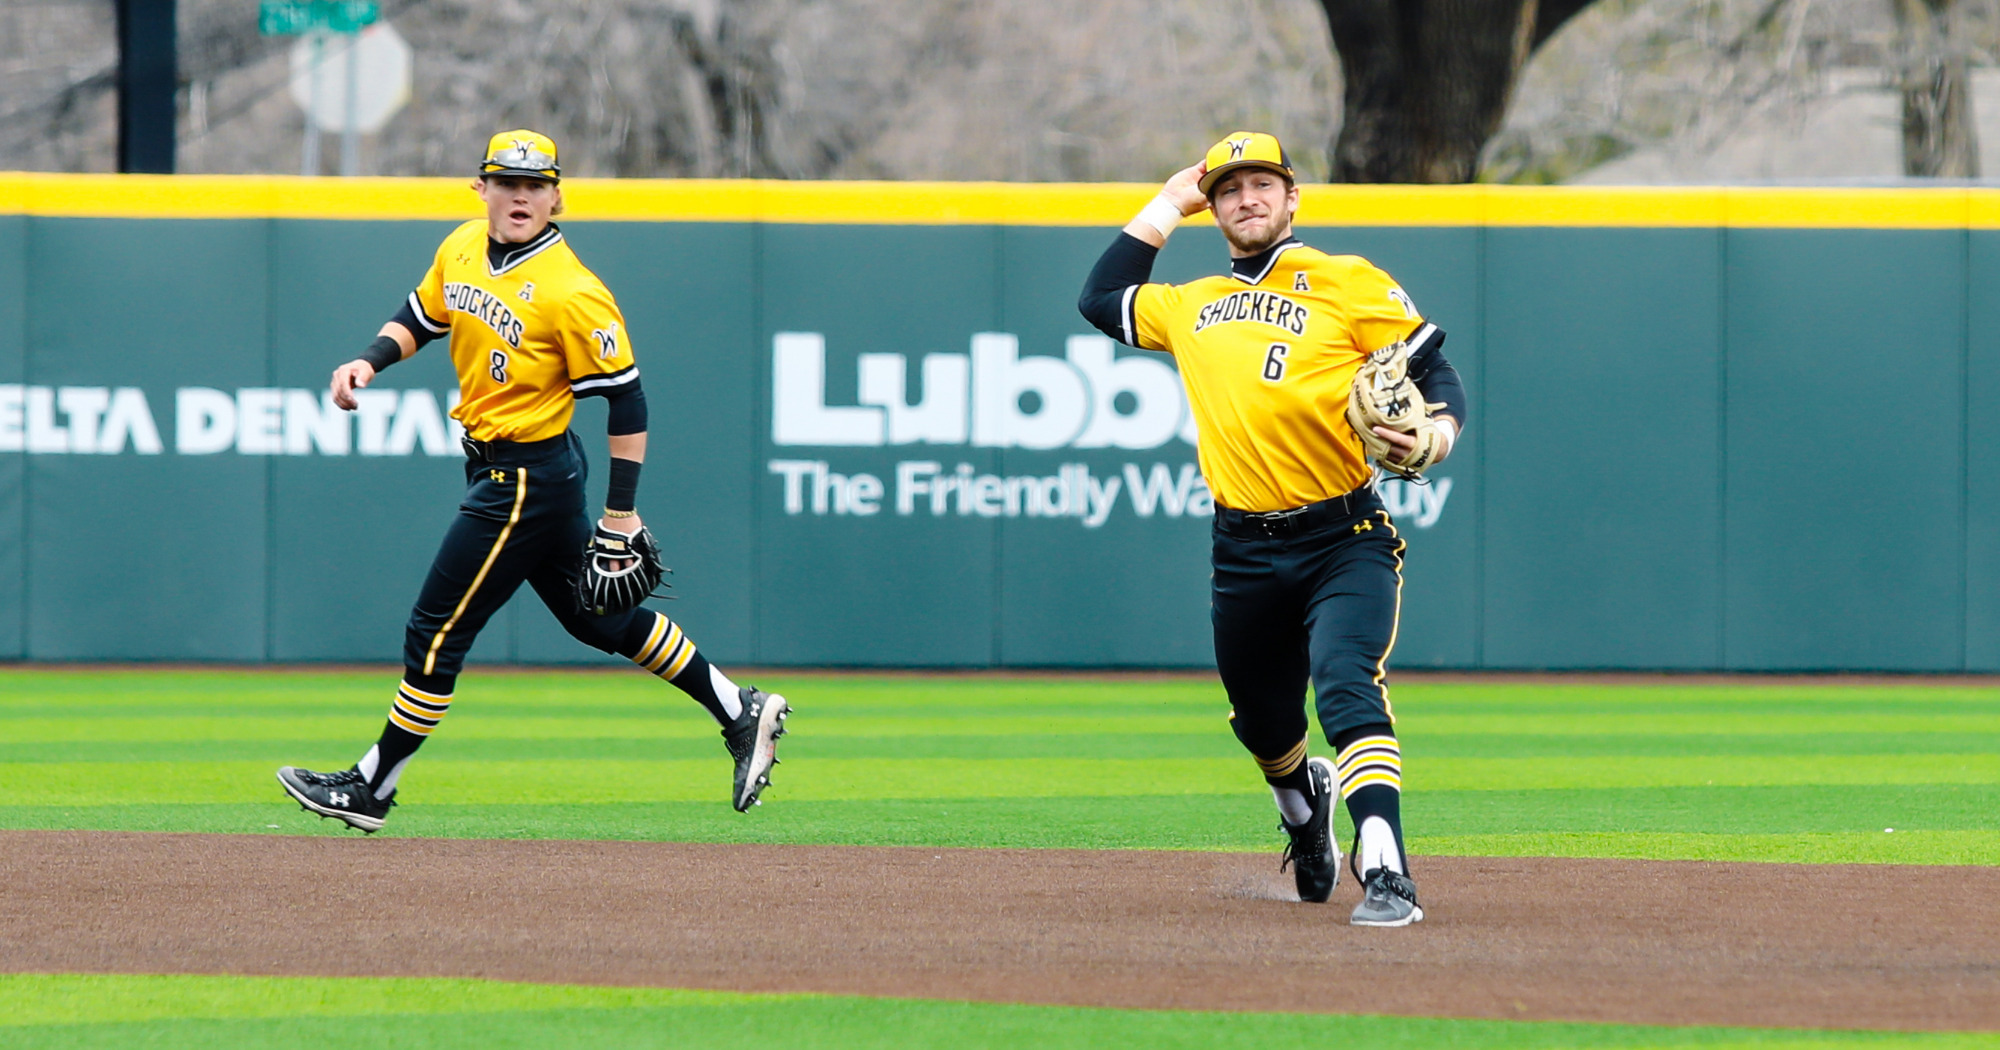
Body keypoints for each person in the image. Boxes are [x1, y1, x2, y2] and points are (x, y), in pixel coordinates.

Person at [277, 130, 789, 832]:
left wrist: (620, 517)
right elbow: (423, 316)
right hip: (506, 468)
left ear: (556, 196)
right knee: (596, 618)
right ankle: (738, 708)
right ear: (479, 188)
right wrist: (369, 361)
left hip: (525, 478)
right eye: (507, 182)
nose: (521, 196)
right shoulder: (461, 246)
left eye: (535, 185)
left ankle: (373, 785)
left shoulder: (571, 290)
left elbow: (628, 399)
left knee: (435, 631)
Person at [1077, 132, 1465, 926]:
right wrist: (1165, 203)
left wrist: (1441, 431)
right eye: (1228, 189)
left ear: (1292, 198)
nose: (1246, 198)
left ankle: (1387, 867)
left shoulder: (1345, 281)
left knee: (1347, 683)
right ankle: (1303, 815)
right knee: (1262, 721)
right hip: (1244, 550)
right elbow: (1100, 298)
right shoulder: (1188, 303)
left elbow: (1433, 372)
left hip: (1343, 538)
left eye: (1263, 184)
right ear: (1211, 206)